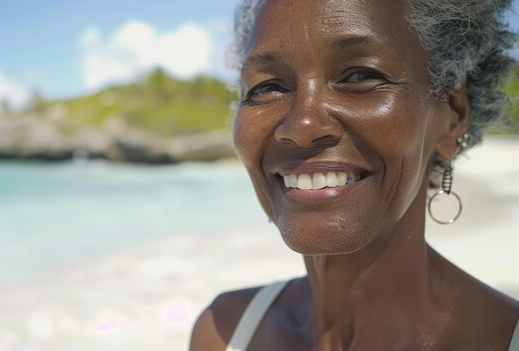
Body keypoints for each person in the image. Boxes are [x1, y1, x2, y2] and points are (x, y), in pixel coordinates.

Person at [190, 0, 519, 350]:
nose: (302, 126)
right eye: (267, 87)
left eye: (361, 76)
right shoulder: (224, 331)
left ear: (452, 115)